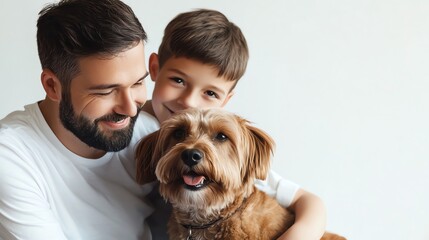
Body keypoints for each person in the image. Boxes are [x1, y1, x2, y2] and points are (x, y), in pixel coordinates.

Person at [141, 9, 327, 240]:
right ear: (155, 69)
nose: (190, 102)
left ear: (226, 100)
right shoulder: (134, 127)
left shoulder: (237, 155)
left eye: (209, 93)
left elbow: (309, 202)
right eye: (178, 80)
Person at [0, 0, 156, 239]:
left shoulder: (150, 135)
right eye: (105, 91)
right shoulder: (12, 156)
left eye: (138, 83)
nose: (130, 109)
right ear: (53, 86)